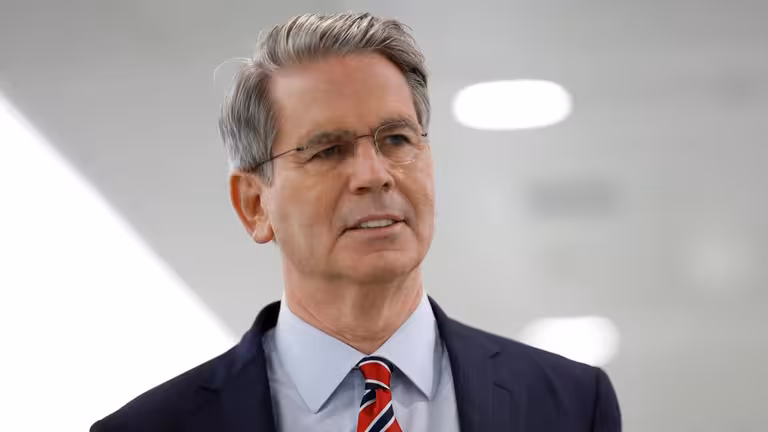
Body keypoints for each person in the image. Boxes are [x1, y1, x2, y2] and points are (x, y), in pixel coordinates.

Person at [91, 12, 621, 432]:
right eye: (328, 150)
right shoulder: (153, 428)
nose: (374, 175)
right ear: (254, 204)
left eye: (396, 139)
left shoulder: (570, 404)